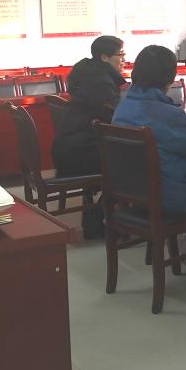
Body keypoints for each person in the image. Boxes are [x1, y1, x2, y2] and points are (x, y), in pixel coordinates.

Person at [113, 45, 186, 268]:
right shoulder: (162, 113)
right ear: (169, 77)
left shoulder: (125, 105)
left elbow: (180, 134)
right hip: (173, 195)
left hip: (141, 192)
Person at [52, 36, 127, 239]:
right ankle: (99, 218)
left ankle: (101, 215)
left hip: (71, 149)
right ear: (104, 57)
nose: (123, 60)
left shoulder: (90, 74)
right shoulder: (100, 82)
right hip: (79, 154)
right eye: (120, 55)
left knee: (128, 156)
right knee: (132, 161)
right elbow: (116, 118)